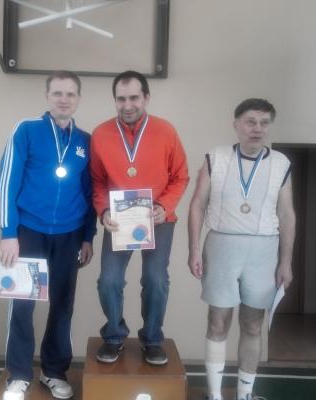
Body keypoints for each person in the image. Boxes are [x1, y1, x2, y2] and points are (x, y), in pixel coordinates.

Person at [0, 70, 96, 400]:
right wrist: (8, 232)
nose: (64, 99)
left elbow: (89, 191)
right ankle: (19, 375)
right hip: (28, 232)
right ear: (47, 96)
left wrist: (88, 236)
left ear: (78, 99)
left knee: (63, 304)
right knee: (22, 304)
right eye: (57, 93)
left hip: (70, 234)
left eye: (70, 94)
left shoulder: (85, 141)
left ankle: (54, 371)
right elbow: (7, 181)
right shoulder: (26, 130)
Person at [188, 98, 296, 400]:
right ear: (236, 124)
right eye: (250, 121)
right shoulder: (216, 157)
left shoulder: (280, 163)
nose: (257, 128)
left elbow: (287, 214)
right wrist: (194, 249)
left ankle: (245, 394)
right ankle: (214, 394)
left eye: (263, 123)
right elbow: (197, 204)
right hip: (222, 245)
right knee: (218, 320)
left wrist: (285, 262)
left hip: (264, 249)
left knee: (253, 323)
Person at [91, 70, 189, 365]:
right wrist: (103, 211)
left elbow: (181, 176)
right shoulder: (101, 134)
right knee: (109, 281)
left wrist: (165, 206)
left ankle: (152, 339)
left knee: (156, 280)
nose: (127, 105)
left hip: (159, 219)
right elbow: (97, 182)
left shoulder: (166, 130)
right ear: (115, 100)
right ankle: (114, 336)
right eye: (121, 99)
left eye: (134, 97)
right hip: (118, 221)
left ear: (146, 97)